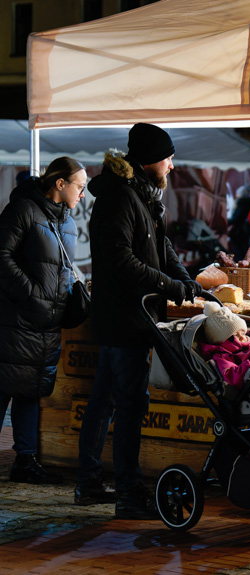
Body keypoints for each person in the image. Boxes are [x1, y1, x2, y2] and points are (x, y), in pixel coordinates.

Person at [76, 123, 203, 518]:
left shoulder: (141, 196)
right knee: (130, 404)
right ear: (150, 160)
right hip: (125, 318)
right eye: (167, 158)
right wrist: (168, 285)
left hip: (129, 317)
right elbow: (122, 260)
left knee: (108, 398)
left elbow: (159, 246)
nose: (171, 165)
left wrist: (184, 279)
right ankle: (129, 495)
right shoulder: (120, 199)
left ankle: (89, 481)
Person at [0, 157, 86, 484]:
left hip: (46, 325)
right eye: (79, 185)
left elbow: (61, 270)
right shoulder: (22, 210)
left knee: (29, 390)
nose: (82, 193)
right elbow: (1, 256)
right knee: (3, 389)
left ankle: (25, 461)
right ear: (60, 183)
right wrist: (30, 294)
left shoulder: (67, 223)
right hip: (16, 321)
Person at [199, 302, 250, 390]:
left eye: (243, 333)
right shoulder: (223, 357)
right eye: (236, 335)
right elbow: (232, 377)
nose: (242, 337)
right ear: (220, 341)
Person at [227, 184, 250, 255]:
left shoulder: (242, 203)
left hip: (239, 231)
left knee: (239, 251)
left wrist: (228, 221)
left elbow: (237, 218)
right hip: (248, 231)